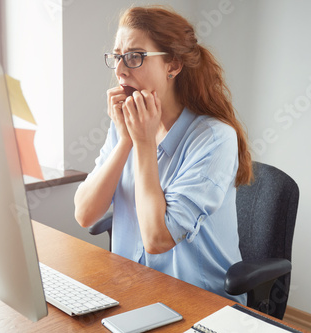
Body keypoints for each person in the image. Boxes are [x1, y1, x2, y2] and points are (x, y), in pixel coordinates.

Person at [74, 5, 252, 304]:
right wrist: (126, 141)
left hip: (198, 303)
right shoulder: (126, 127)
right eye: (117, 57)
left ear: (173, 65)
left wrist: (143, 144)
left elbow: (157, 240)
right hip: (133, 291)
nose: (119, 70)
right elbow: (84, 214)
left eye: (134, 56)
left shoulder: (214, 138)